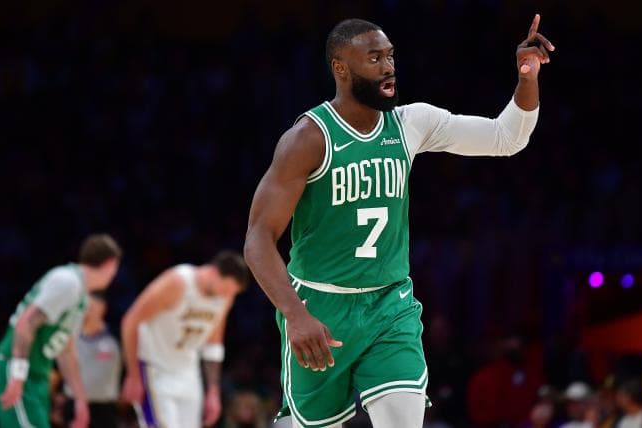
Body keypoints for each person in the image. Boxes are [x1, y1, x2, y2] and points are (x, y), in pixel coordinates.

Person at [244, 16, 553, 428]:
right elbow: (258, 238)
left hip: (390, 305)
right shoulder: (308, 138)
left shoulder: (410, 123)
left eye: (390, 56)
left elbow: (505, 138)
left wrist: (527, 77)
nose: (388, 67)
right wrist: (295, 314)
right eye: (374, 58)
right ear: (341, 68)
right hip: (319, 307)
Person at [0, 233, 122, 428]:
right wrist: (18, 373)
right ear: (110, 264)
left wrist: (80, 399)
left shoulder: (82, 296)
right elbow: (26, 322)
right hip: (17, 369)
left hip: (38, 376)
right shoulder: (67, 281)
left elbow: (66, 350)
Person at [120, 251, 249, 428]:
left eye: (231, 293)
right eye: (226, 289)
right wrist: (133, 375)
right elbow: (131, 322)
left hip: (188, 372)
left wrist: (213, 391)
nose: (226, 295)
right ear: (213, 272)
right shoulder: (177, 282)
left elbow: (213, 344)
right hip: (155, 369)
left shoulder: (225, 298)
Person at [62, 290, 122, 428]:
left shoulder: (115, 336)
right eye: (84, 307)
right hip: (74, 403)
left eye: (91, 306)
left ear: (102, 307)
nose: (87, 311)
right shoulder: (70, 335)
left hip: (104, 407)